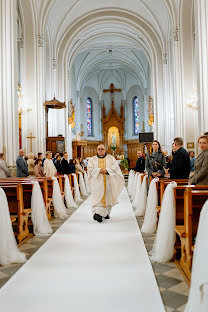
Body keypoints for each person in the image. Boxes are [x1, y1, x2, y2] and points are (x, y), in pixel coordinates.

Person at [87, 144, 124, 223]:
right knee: (97, 197)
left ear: (105, 150)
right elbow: (89, 169)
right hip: (97, 182)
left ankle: (106, 213)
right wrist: (99, 170)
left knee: (108, 197)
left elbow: (116, 167)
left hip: (108, 181)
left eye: (102, 149)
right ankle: (98, 214)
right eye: (99, 149)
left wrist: (107, 170)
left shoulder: (111, 158)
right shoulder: (92, 159)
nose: (100, 150)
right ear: (97, 150)